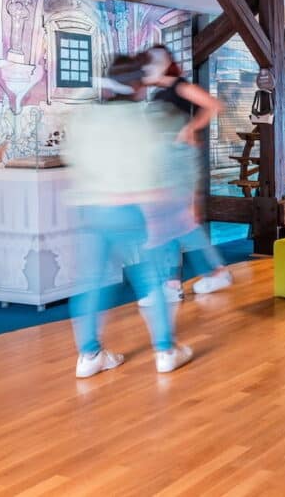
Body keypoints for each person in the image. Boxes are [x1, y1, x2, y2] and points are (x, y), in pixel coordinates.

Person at [64, 54, 193, 377]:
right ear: (138, 85)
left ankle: (89, 355)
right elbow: (161, 165)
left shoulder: (86, 119)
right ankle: (165, 351)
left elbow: (73, 159)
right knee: (151, 278)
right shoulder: (148, 119)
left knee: (91, 284)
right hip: (136, 209)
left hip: (93, 209)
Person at [141, 46, 232, 298]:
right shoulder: (159, 93)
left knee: (181, 221)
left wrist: (190, 128)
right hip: (163, 161)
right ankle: (172, 283)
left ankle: (217, 271)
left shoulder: (179, 86)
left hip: (178, 161)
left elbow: (214, 105)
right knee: (167, 223)